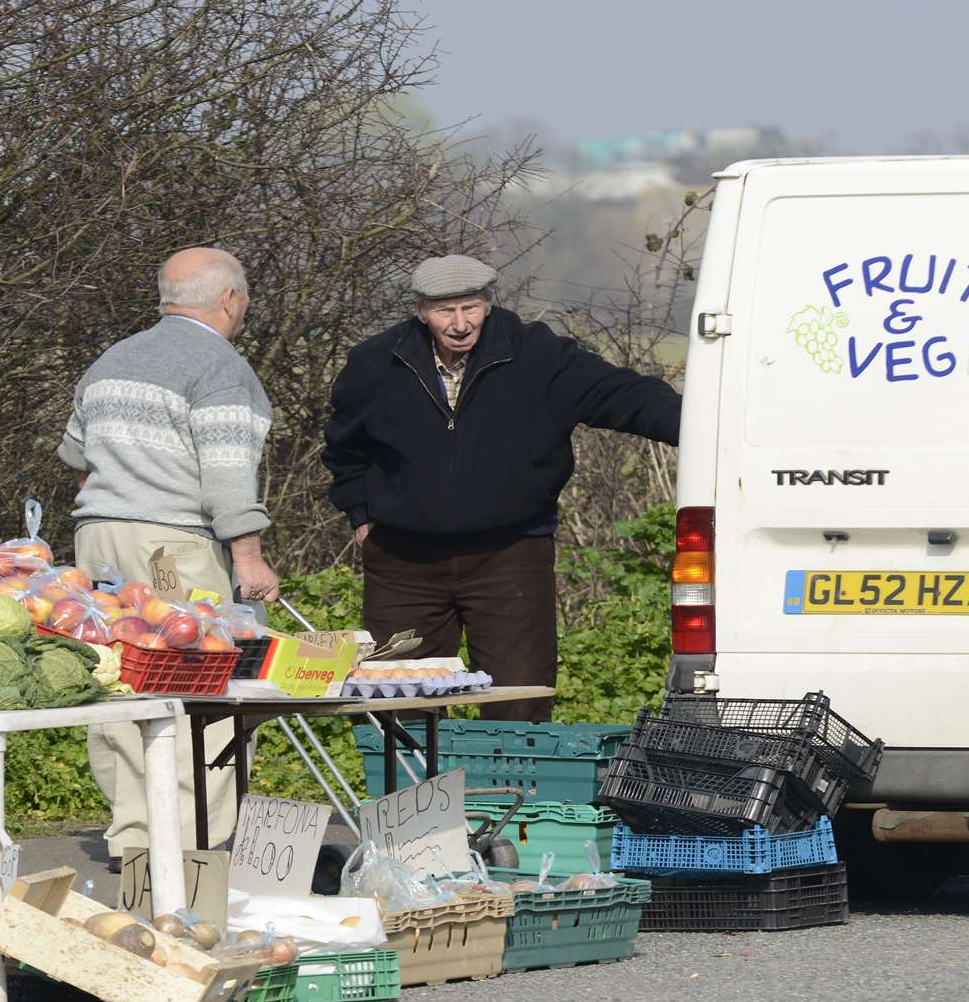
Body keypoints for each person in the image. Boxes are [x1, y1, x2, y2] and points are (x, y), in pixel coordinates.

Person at [322, 254, 681, 722]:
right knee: (397, 702)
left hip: (509, 555)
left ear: (488, 304)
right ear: (420, 311)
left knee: (519, 699)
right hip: (402, 562)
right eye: (444, 311)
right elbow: (344, 445)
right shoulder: (376, 361)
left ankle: (510, 797)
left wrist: (704, 423)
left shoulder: (538, 354)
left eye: (470, 308)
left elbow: (621, 395)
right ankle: (412, 796)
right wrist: (360, 515)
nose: (459, 324)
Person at [58, 246, 282, 868]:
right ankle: (190, 841)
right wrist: (249, 557)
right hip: (175, 546)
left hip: (98, 540)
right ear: (229, 299)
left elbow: (76, 459)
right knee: (206, 686)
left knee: (120, 680)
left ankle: (133, 837)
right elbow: (230, 479)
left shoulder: (113, 358)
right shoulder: (221, 368)